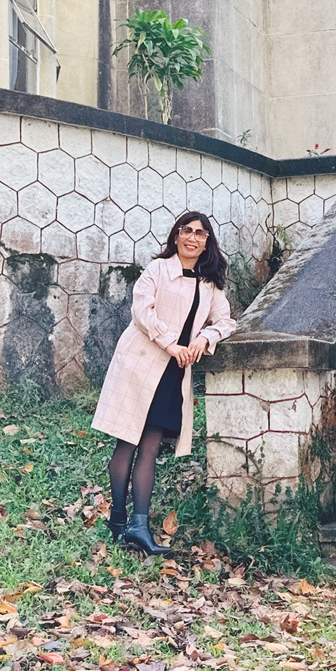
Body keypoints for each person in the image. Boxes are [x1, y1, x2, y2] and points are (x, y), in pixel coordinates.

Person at [92, 210, 235, 554]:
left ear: (207, 242)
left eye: (200, 233)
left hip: (173, 372)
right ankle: (118, 518)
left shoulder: (209, 284)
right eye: (187, 230)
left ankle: (139, 527)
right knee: (127, 440)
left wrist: (205, 338)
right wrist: (171, 343)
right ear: (176, 235)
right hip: (140, 363)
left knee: (151, 446)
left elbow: (226, 321)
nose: (192, 237)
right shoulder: (157, 269)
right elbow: (142, 311)